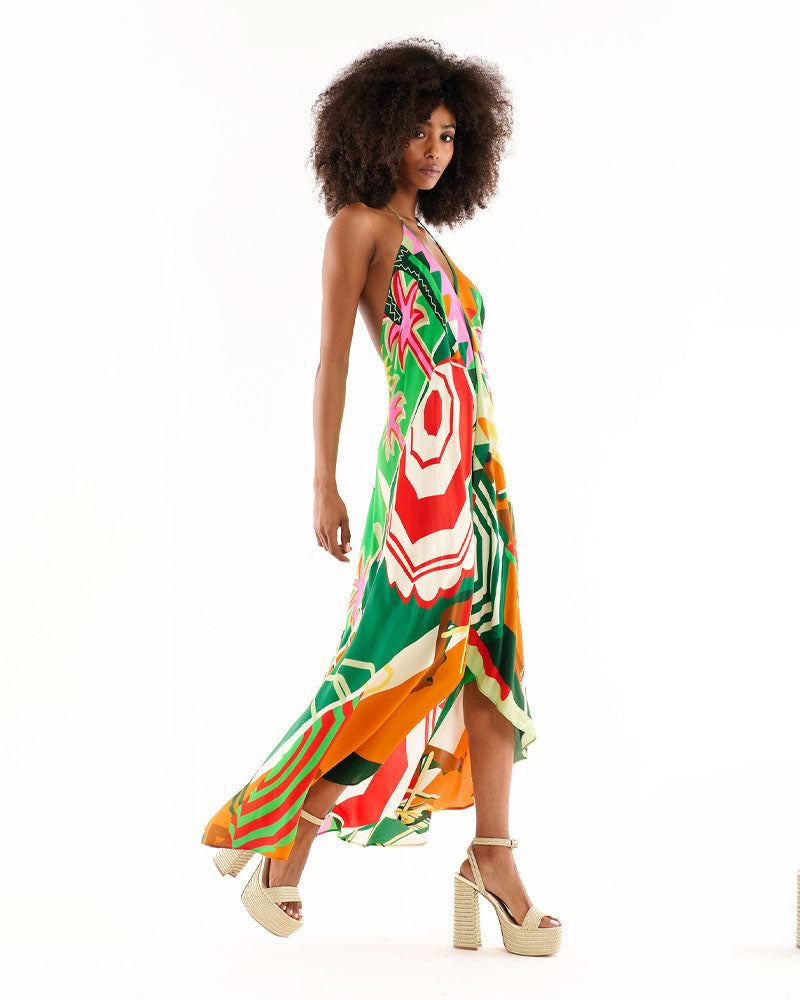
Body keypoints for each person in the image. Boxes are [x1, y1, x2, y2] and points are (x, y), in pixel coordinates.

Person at [201, 38, 562, 956]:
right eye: (418, 131)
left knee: (489, 658)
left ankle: (492, 857)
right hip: (418, 480)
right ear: (375, 131)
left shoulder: (434, 242)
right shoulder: (357, 227)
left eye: (449, 135)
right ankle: (287, 835)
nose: (435, 150)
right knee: (402, 663)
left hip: (479, 476)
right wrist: (322, 481)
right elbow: (332, 363)